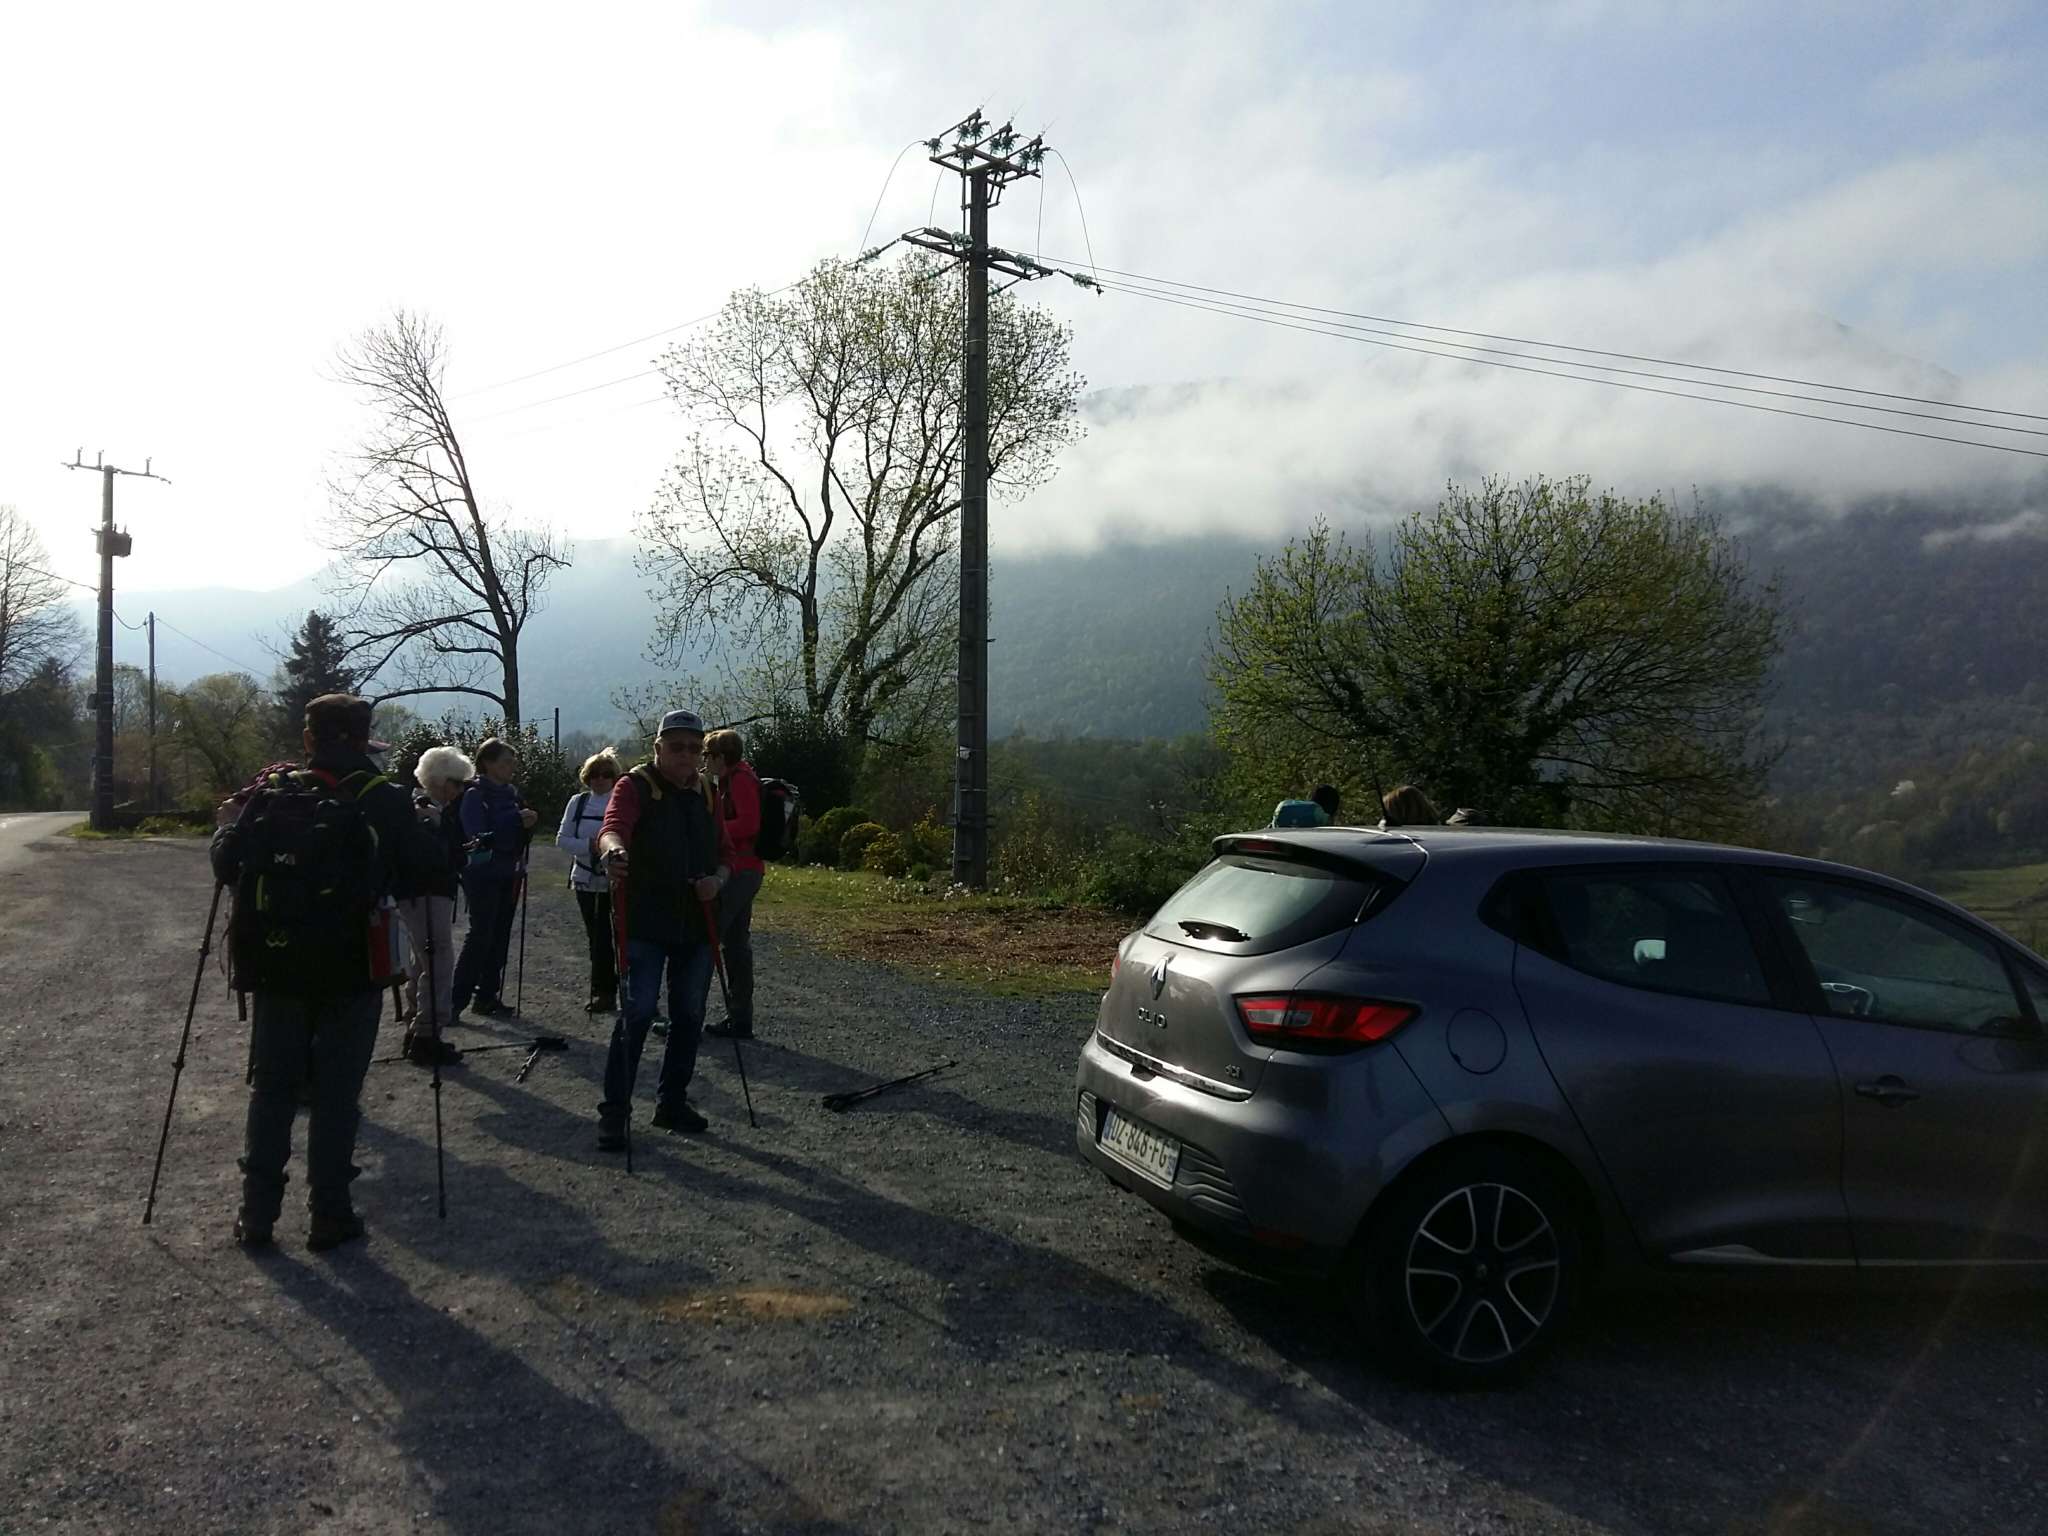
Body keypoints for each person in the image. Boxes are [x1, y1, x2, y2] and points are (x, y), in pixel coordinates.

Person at [211, 693, 441, 1251]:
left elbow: (227, 864)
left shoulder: (275, 791)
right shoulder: (382, 797)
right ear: (364, 739)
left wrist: (225, 827)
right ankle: (329, 1215)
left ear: (308, 738)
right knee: (338, 1095)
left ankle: (256, 1216)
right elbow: (423, 874)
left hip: (277, 964)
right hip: (352, 967)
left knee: (272, 1089)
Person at [591, 708, 736, 1147]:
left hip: (696, 922)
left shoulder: (707, 792)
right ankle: (615, 1112)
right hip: (645, 920)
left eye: (694, 748)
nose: (686, 755)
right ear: (658, 748)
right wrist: (613, 852)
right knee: (637, 1013)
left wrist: (718, 881)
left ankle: (671, 1103)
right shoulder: (634, 786)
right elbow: (611, 829)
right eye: (676, 746)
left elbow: (726, 853)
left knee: (689, 1015)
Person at [397, 746, 474, 1068]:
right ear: (443, 781)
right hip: (427, 894)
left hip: (418, 895)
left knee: (423, 960)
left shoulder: (423, 808)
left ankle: (416, 1025)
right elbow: (440, 856)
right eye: (457, 783)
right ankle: (427, 1034)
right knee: (438, 960)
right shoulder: (427, 814)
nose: (460, 790)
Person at [450, 737, 537, 1020]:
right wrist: (517, 821)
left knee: (499, 937)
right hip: (482, 875)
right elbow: (477, 837)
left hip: (508, 873)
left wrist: (527, 826)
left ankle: (486, 997)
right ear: (487, 763)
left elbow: (518, 838)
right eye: (506, 762)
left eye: (512, 762)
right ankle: (455, 1002)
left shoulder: (512, 795)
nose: (512, 767)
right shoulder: (475, 795)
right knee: (480, 936)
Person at [702, 728, 764, 1041]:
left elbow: (750, 824)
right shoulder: (736, 778)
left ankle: (689, 1016)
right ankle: (740, 1019)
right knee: (736, 945)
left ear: (720, 757)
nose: (704, 761)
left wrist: (713, 829)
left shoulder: (739, 780)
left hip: (739, 871)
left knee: (706, 938)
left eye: (707, 755)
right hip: (747, 870)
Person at [557, 749, 623, 1013]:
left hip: (618, 880)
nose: (600, 779)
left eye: (606, 774)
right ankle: (604, 993)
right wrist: (591, 846)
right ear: (587, 776)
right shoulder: (578, 802)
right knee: (597, 939)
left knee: (626, 938)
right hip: (586, 879)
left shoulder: (622, 801)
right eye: (594, 774)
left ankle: (633, 993)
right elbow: (562, 840)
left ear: (614, 776)